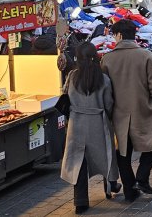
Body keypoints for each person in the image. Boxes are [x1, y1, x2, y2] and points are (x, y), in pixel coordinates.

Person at [101, 20, 152, 201]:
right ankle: (142, 178)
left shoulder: (107, 58)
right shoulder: (146, 56)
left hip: (119, 113)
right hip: (145, 109)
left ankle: (130, 191)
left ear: (119, 35)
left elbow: (106, 90)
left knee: (123, 153)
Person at [60, 43, 121, 214]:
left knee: (78, 161)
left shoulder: (72, 76)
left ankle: (80, 201)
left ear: (77, 58)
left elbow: (65, 97)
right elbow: (109, 103)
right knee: (105, 156)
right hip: (98, 122)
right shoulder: (104, 79)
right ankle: (110, 186)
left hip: (76, 123)